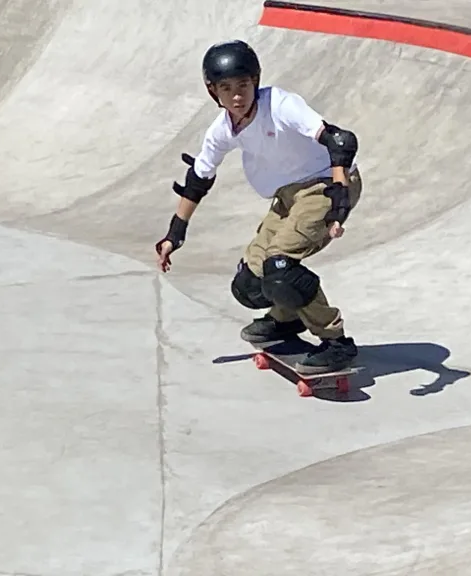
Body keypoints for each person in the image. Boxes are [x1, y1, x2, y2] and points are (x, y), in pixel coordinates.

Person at [154, 39, 363, 373]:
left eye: (244, 85)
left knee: (280, 267)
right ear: (214, 93)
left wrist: (338, 199)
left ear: (256, 81)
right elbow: (198, 180)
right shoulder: (221, 130)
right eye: (227, 88)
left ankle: (336, 342)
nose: (237, 96)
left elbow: (337, 142)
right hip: (289, 195)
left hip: (326, 184)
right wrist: (174, 235)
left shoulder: (280, 105)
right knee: (250, 284)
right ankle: (286, 319)